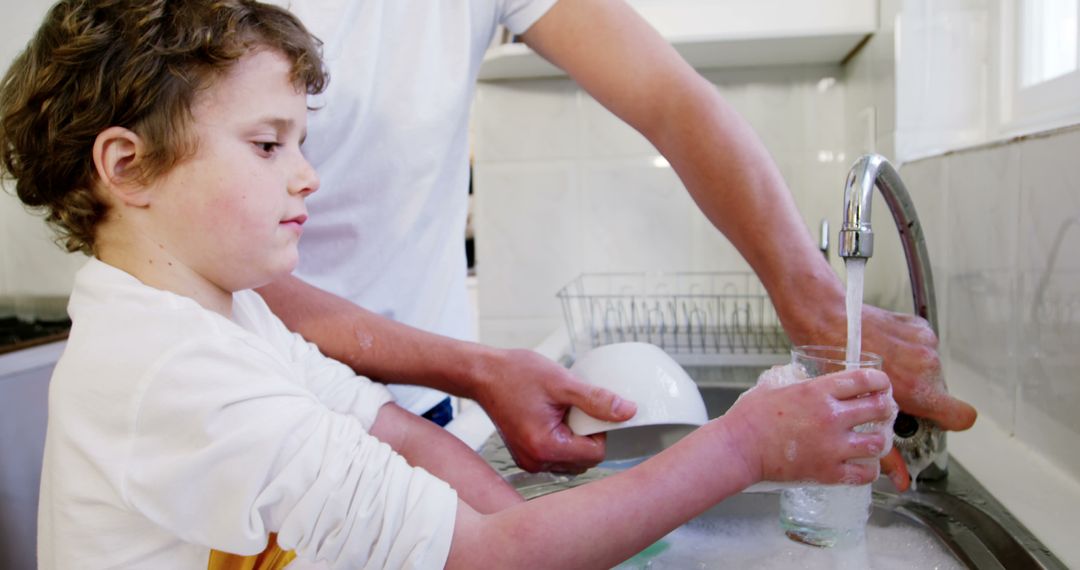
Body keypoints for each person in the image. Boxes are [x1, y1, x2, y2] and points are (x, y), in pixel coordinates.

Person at [1, 1, 899, 567]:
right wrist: (744, 448)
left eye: (304, 142)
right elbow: (484, 557)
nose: (308, 176)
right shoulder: (176, 372)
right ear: (129, 166)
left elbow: (394, 430)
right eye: (271, 145)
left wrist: (544, 536)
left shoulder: (225, 319)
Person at [254, 0, 978, 486]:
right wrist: (474, 369)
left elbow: (670, 98)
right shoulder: (187, 26)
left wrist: (812, 296)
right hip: (254, 420)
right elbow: (194, 261)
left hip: (426, 421)